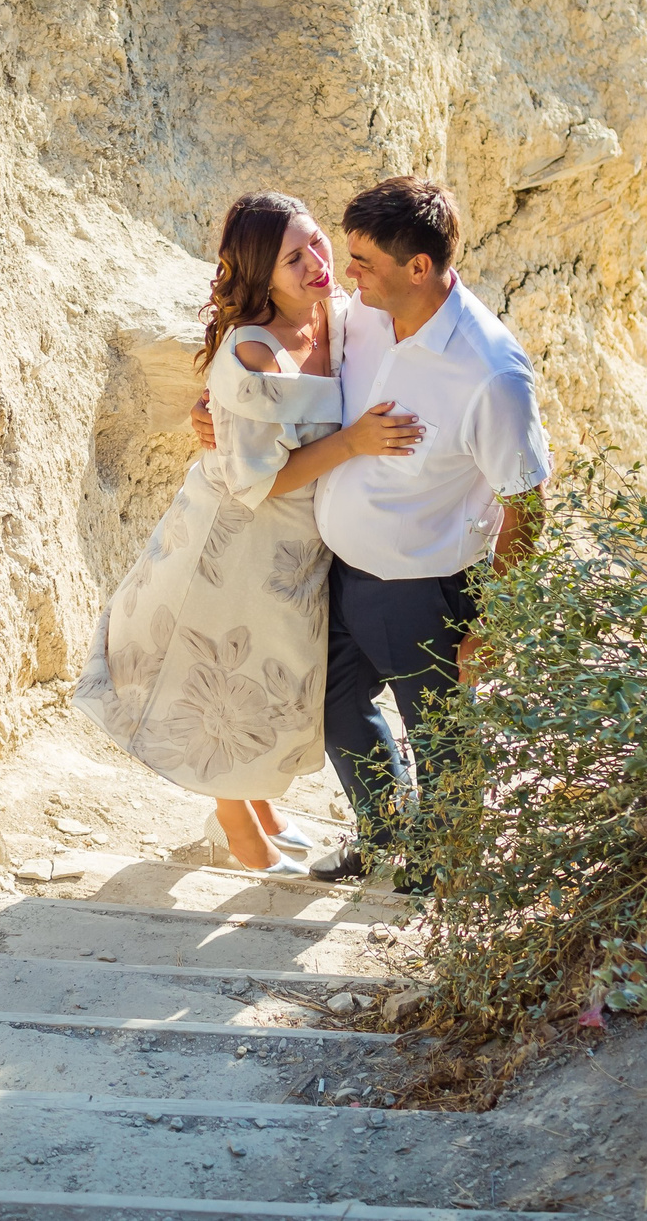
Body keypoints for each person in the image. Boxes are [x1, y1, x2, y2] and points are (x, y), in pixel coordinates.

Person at [193, 177, 551, 886]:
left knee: (439, 731)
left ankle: (444, 871)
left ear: (419, 267)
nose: (346, 273)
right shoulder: (365, 315)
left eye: (363, 261)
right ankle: (385, 838)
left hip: (424, 583)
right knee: (332, 706)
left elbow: (530, 502)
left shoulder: (490, 372)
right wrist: (213, 413)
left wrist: (499, 619)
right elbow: (281, 373)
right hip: (342, 568)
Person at [72, 192, 424, 872]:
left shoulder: (339, 320)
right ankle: (237, 829)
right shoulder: (254, 351)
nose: (318, 263)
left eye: (317, 243)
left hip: (297, 547)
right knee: (218, 681)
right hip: (235, 541)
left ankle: (257, 810)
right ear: (262, 275)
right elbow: (255, 479)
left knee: (267, 680)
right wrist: (353, 443)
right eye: (295, 258)